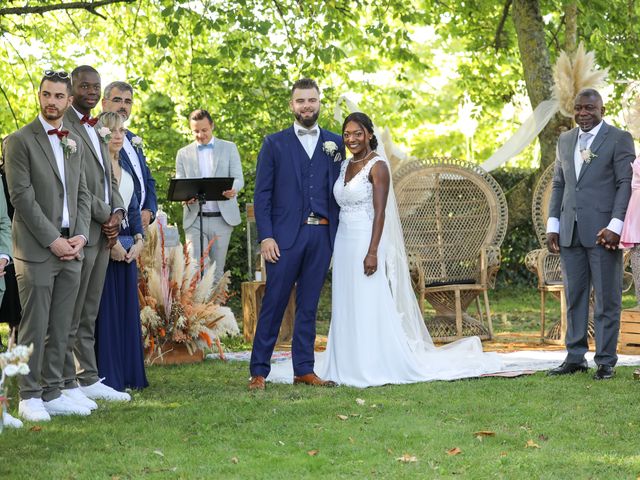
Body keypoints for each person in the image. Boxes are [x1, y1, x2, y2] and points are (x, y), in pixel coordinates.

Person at [267, 112, 502, 387]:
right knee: (345, 300)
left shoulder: (378, 166)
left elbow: (381, 214)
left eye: (357, 133)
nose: (352, 139)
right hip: (342, 241)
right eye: (347, 134)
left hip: (366, 240)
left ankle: (371, 363)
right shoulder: (343, 166)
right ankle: (345, 361)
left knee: (368, 300)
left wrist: (373, 251)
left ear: (369, 134)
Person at [4, 70, 92, 421]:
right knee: (35, 324)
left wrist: (81, 237)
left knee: (63, 323)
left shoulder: (73, 142)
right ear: (38, 96)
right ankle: (28, 395)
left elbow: (82, 193)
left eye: (58, 96)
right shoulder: (19, 141)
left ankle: (53, 390)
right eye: (46, 95)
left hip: (73, 244)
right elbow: (21, 198)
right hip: (38, 248)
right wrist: (53, 240)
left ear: (68, 101)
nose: (51, 101)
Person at [249, 79, 345, 390]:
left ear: (320, 103)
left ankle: (304, 368)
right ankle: (258, 372)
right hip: (284, 239)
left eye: (312, 100)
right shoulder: (274, 144)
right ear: (292, 105)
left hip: (322, 236)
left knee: (309, 305)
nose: (307, 105)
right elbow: (262, 194)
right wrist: (266, 236)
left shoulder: (335, 144)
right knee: (274, 303)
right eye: (301, 100)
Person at [547, 88, 635, 380]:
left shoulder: (619, 138)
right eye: (578, 108)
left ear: (602, 110)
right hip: (570, 230)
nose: (583, 113)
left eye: (589, 108)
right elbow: (559, 184)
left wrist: (615, 226)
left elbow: (626, 184)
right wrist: (553, 224)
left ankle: (606, 360)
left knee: (608, 297)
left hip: (603, 233)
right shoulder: (565, 139)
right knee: (574, 296)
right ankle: (574, 357)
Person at [62, 65, 130, 405]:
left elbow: (110, 178)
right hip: (83, 230)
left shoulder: (98, 127)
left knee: (89, 310)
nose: (91, 91)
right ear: (72, 89)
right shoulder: (66, 127)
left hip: (105, 229)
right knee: (71, 312)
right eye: (84, 86)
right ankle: (64, 382)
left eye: (95, 86)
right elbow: (79, 186)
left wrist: (118, 213)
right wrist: (106, 215)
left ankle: (87, 377)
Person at [94, 112, 148, 392]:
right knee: (106, 311)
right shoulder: (95, 169)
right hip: (105, 245)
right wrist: (111, 244)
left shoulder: (126, 168)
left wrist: (139, 240)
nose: (118, 135)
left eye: (122, 130)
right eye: (111, 130)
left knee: (127, 311)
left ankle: (129, 373)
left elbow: (134, 209)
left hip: (128, 245)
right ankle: (107, 375)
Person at [175, 109, 244, 283]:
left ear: (212, 126)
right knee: (195, 270)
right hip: (194, 219)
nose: (200, 135)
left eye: (204, 130)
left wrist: (233, 189)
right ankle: (198, 310)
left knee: (216, 271)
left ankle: (215, 310)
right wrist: (184, 196)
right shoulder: (183, 153)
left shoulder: (229, 147)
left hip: (222, 219)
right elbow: (180, 182)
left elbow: (238, 178)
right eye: (196, 131)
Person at [101, 81, 157, 229]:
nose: (123, 106)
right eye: (117, 100)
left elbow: (147, 178)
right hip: (111, 225)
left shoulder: (133, 139)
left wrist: (149, 210)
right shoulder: (97, 136)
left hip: (138, 226)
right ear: (104, 103)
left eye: (128, 101)